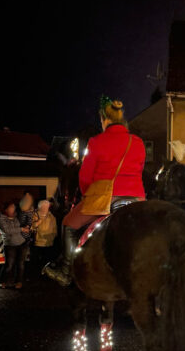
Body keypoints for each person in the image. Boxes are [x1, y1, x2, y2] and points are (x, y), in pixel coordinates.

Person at [44, 95, 146, 287]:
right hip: (136, 199)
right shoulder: (138, 142)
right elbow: (139, 170)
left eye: (101, 120)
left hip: (105, 199)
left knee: (68, 224)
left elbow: (85, 177)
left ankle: (67, 270)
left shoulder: (96, 142)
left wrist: (86, 194)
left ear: (105, 120)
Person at [0, 201, 28, 289]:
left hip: (21, 243)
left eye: (14, 207)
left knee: (21, 264)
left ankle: (19, 281)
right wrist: (21, 229)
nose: (13, 209)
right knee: (9, 265)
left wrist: (24, 228)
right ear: (6, 209)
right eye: (11, 207)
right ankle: (3, 281)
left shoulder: (16, 217)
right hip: (10, 244)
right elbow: (8, 230)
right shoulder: (1, 219)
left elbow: (17, 228)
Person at [31, 200, 57, 274]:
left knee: (47, 259)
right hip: (38, 242)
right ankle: (36, 274)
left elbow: (54, 228)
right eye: (45, 206)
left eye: (47, 206)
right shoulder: (35, 215)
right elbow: (32, 226)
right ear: (40, 207)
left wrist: (53, 235)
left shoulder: (51, 216)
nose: (46, 208)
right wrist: (40, 221)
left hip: (49, 242)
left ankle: (46, 273)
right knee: (38, 260)